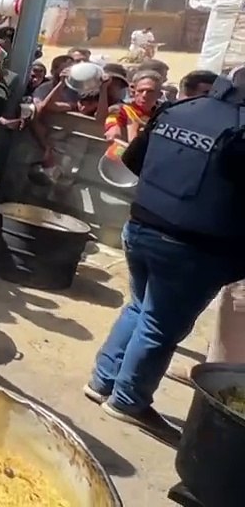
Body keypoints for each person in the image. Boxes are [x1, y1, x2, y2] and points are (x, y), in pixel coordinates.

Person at [86, 74, 245, 444]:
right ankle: (128, 401)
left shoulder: (177, 110)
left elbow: (133, 160)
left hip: (140, 227)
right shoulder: (239, 131)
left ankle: (102, 381)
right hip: (192, 247)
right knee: (159, 323)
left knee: (140, 307)